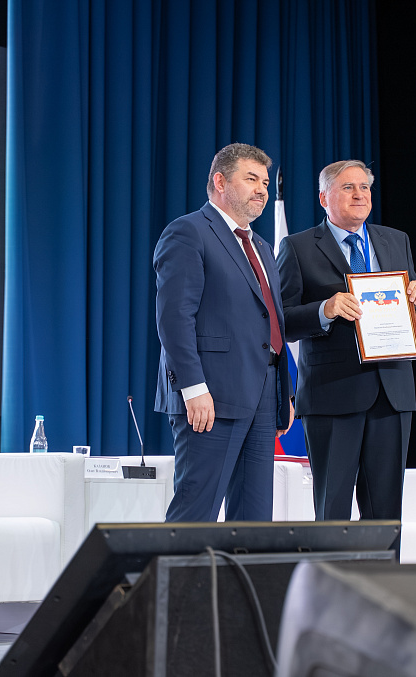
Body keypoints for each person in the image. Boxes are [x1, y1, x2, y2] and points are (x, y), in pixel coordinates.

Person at [276, 160, 416, 521]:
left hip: (392, 394)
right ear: (324, 198)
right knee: (332, 513)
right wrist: (325, 309)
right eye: (348, 187)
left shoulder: (396, 240)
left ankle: (381, 564)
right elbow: (281, 322)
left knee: (386, 515)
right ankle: (333, 564)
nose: (359, 195)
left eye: (365, 187)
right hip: (332, 395)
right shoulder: (298, 247)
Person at [154, 143, 291, 522]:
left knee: (253, 520)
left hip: (262, 395)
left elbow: (268, 322)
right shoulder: (188, 232)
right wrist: (193, 388)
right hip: (211, 396)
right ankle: (177, 569)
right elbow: (174, 318)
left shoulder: (262, 246)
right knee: (196, 514)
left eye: (265, 182)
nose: (261, 189)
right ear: (220, 181)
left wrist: (282, 390)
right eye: (251, 179)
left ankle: (239, 568)